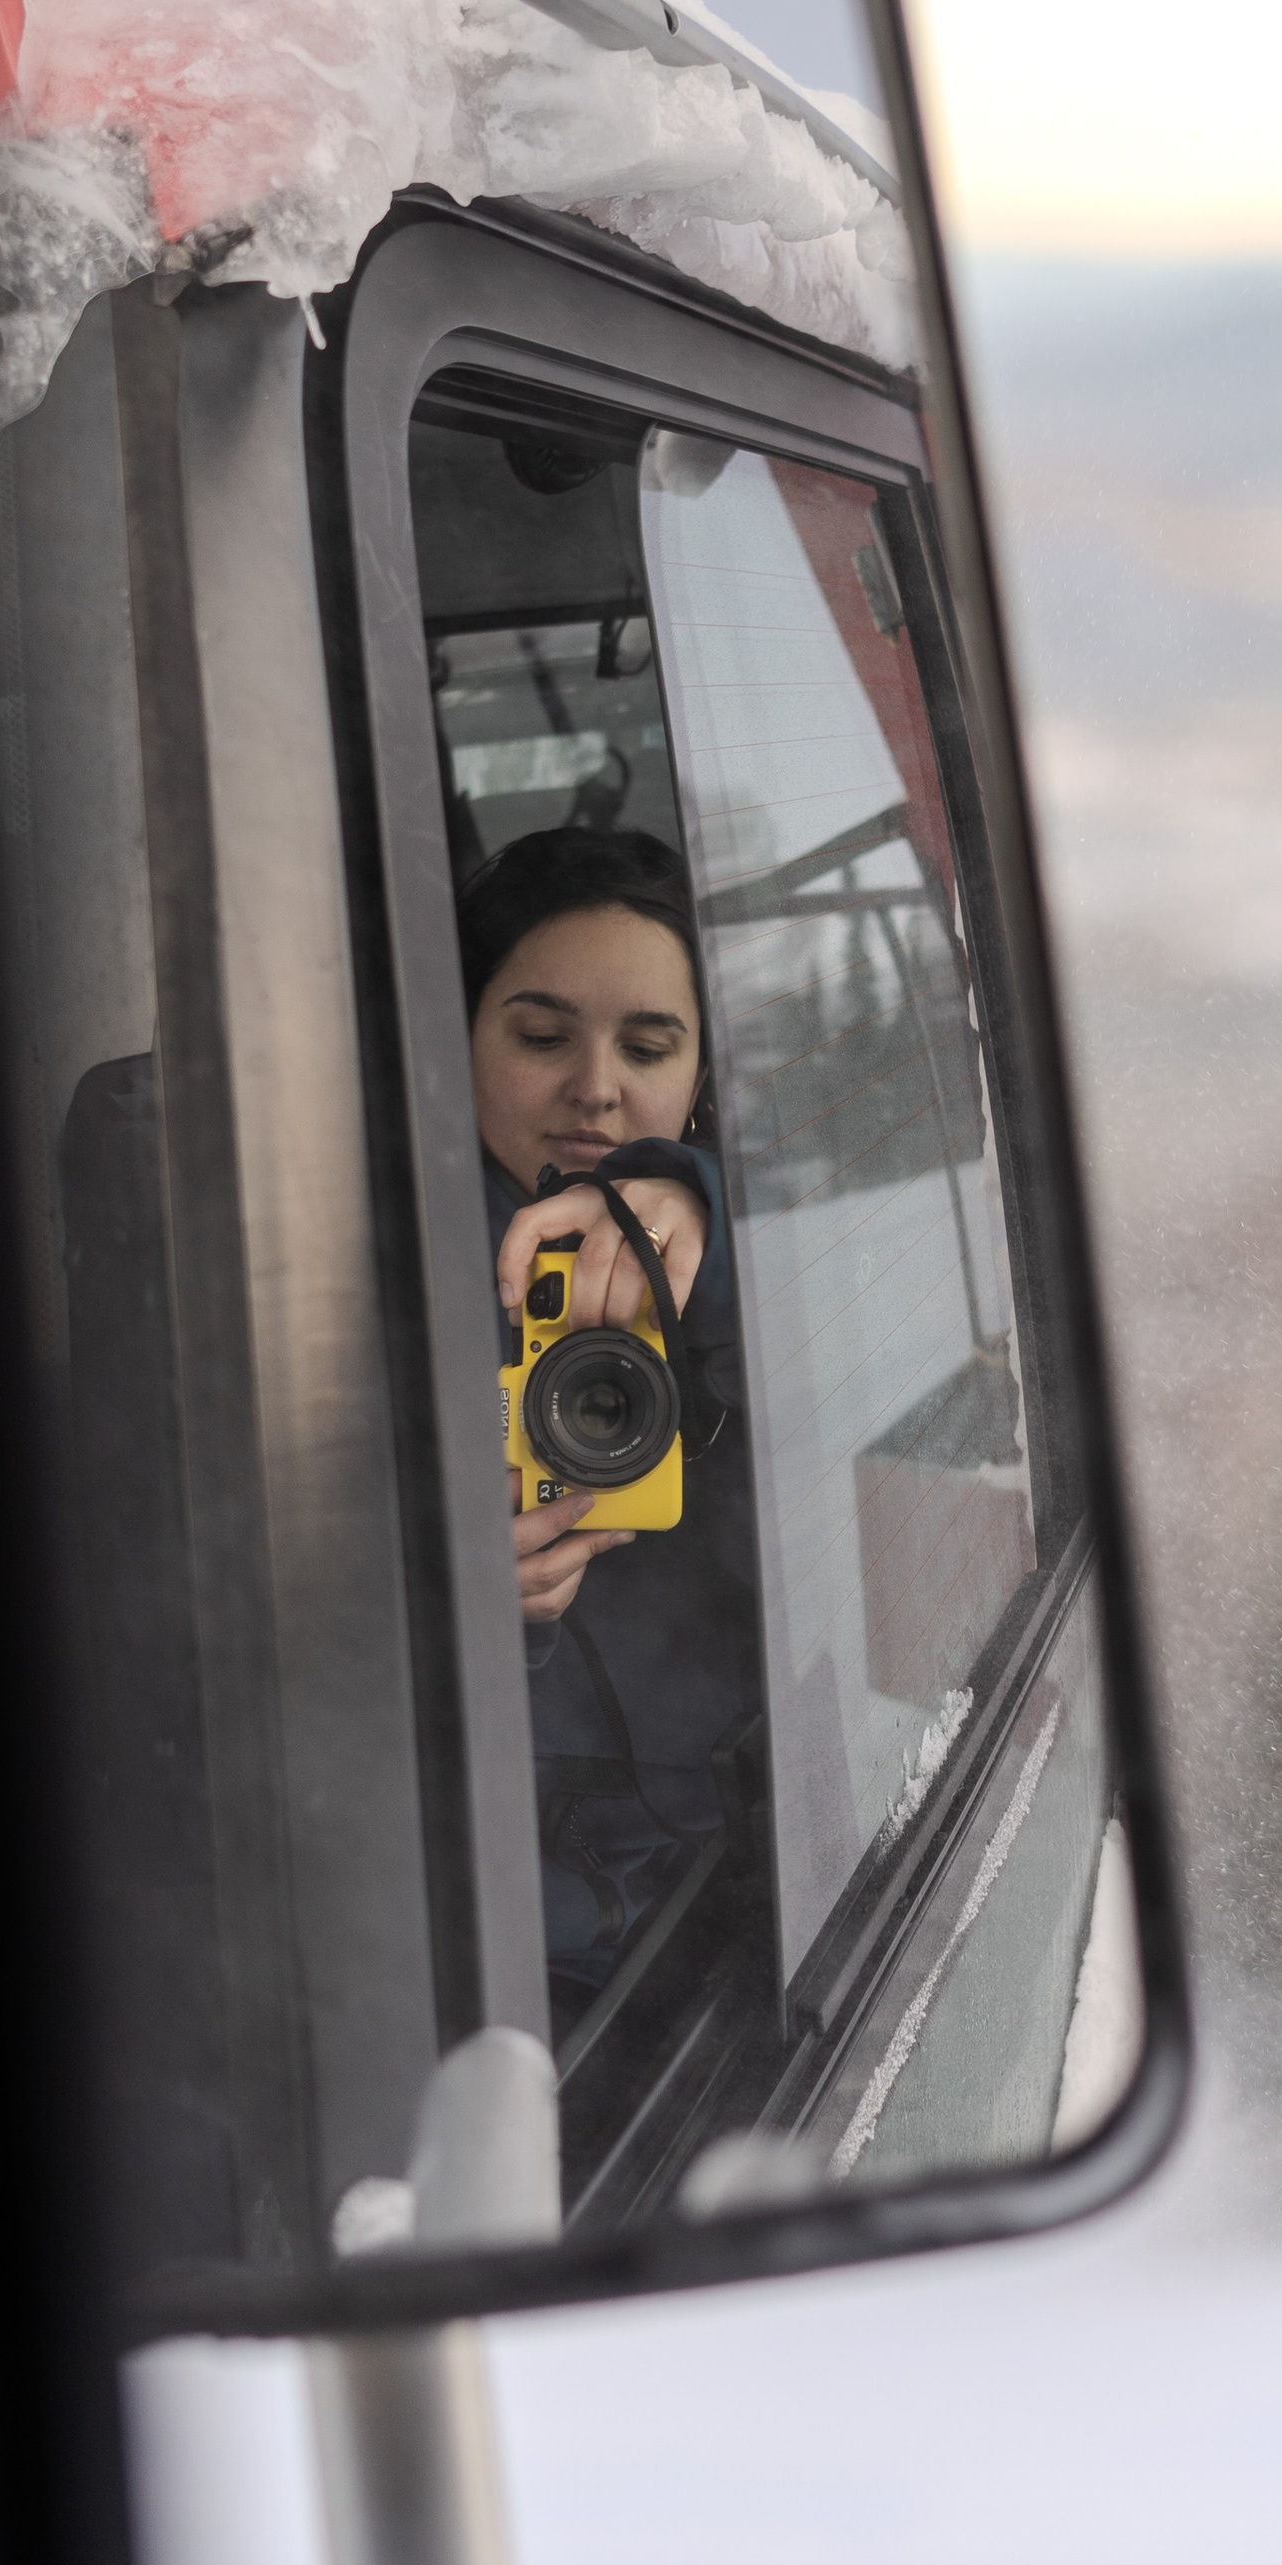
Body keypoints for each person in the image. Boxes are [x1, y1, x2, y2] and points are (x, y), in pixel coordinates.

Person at [458, 825, 762, 2027]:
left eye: (650, 1046)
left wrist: (708, 1213)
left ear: (704, 1074)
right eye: (540, 1037)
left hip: (737, 1892)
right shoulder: (341, 1281)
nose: (596, 1087)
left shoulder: (742, 1252)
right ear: (458, 1038)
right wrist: (471, 1612)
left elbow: (877, 1320)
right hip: (533, 1962)